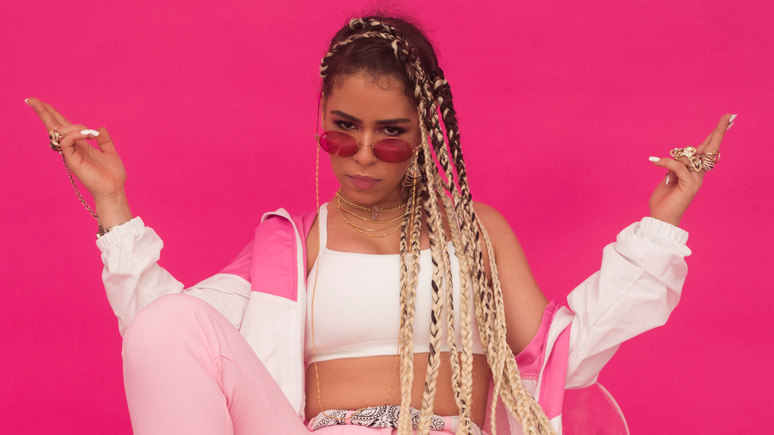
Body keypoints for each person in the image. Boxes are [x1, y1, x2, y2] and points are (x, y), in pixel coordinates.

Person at [26, 15, 733, 435]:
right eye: (344, 127)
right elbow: (167, 341)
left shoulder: (473, 232)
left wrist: (658, 226)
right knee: (168, 321)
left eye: (391, 132)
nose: (363, 153)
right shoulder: (293, 244)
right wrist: (112, 203)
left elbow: (562, 358)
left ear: (425, 133)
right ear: (322, 120)